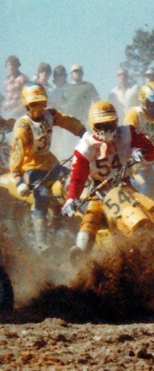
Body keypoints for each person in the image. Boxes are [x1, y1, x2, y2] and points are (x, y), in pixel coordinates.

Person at [61, 101, 154, 255]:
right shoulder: (85, 147)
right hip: (99, 191)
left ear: (116, 121)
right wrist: (71, 198)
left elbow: (152, 151)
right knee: (91, 219)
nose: (106, 129)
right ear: (93, 125)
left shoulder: (128, 132)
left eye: (109, 123)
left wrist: (139, 151)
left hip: (125, 186)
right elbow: (77, 177)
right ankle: (80, 252)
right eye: (101, 125)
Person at [9, 82, 86, 249]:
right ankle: (41, 243)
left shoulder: (50, 114)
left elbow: (67, 121)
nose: (38, 107)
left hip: (51, 163)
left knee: (75, 181)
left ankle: (74, 222)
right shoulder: (23, 127)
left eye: (41, 102)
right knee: (42, 196)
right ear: (27, 105)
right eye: (34, 104)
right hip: (32, 168)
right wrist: (18, 179)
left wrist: (83, 132)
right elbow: (17, 153)